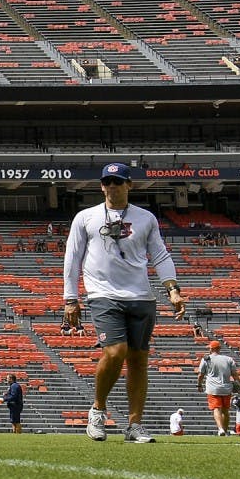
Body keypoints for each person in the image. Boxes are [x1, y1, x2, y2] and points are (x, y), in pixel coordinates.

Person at [63, 163, 184, 445]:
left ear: (129, 185)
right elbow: (73, 257)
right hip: (103, 294)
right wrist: (70, 298)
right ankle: (97, 410)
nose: (112, 186)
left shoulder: (145, 218)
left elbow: (160, 255)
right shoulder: (85, 217)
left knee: (139, 360)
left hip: (141, 296)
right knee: (115, 351)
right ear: (101, 186)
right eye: (107, 182)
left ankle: (134, 425)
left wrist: (173, 290)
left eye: (118, 181)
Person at [196, 339, 240, 436]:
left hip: (213, 389)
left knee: (217, 409)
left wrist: (199, 385)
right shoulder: (228, 359)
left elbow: (200, 375)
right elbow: (235, 375)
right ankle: (225, 430)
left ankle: (220, 429)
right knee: (225, 410)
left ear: (211, 349)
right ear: (219, 348)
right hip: (226, 388)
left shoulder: (206, 359)